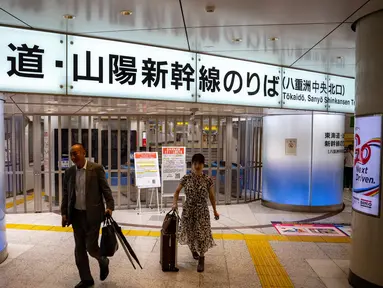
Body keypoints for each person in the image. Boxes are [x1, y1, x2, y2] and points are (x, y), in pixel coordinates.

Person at [61, 143, 115, 288]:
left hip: (93, 214)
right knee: (79, 249)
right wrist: (64, 213)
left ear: (84, 152)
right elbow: (66, 194)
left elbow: (105, 189)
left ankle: (103, 260)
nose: (73, 157)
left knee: (91, 247)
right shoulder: (69, 172)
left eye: (76, 153)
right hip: (76, 215)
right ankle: (86, 279)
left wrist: (109, 206)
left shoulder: (96, 169)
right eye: (71, 154)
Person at [172, 153, 219, 273]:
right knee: (190, 232)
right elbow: (176, 192)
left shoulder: (207, 180)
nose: (197, 166)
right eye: (195, 163)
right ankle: (193, 250)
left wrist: (215, 210)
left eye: (200, 163)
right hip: (188, 210)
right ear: (192, 165)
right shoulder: (186, 178)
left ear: (203, 165)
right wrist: (174, 204)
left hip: (202, 211)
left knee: (202, 234)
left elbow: (212, 196)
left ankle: (202, 258)